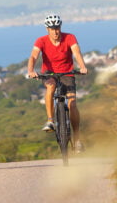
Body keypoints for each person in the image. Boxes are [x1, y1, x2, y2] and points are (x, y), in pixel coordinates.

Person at [27, 14, 88, 153]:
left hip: (67, 73)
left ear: (60, 27)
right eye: (52, 28)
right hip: (49, 73)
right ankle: (50, 120)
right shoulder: (41, 41)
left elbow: (77, 53)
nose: (56, 31)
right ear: (47, 29)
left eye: (57, 28)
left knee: (72, 104)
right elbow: (33, 56)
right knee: (51, 86)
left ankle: (77, 139)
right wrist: (31, 70)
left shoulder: (70, 37)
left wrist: (82, 66)